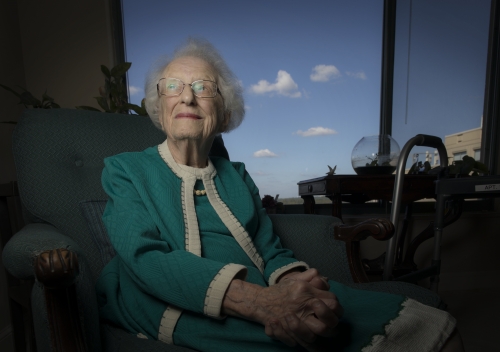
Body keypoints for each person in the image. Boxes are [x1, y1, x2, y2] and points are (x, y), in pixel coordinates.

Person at [96, 38, 463, 351]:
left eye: (204, 87)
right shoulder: (126, 170)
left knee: (430, 326)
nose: (188, 97)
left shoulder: (235, 175)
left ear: (223, 114)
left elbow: (269, 249)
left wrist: (290, 285)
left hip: (265, 290)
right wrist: (262, 303)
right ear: (160, 108)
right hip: (172, 301)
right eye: (173, 86)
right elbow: (144, 258)